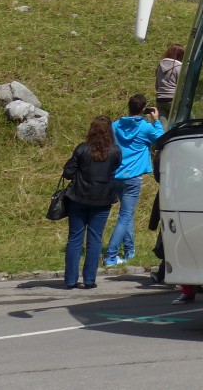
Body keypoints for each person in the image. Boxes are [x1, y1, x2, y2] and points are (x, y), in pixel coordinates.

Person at [103, 94, 165, 268]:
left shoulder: (115, 126)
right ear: (143, 109)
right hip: (133, 177)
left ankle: (130, 251)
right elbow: (161, 139)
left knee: (126, 214)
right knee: (125, 216)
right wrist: (157, 121)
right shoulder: (145, 128)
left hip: (116, 175)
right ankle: (111, 255)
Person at [62, 116, 122, 289]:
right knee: (95, 239)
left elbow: (68, 172)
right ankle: (89, 280)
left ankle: (70, 280)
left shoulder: (82, 149)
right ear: (110, 131)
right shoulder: (115, 151)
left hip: (79, 197)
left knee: (75, 239)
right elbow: (115, 168)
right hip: (102, 199)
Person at [154, 43, 184, 121]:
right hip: (173, 100)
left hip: (160, 99)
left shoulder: (160, 66)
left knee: (163, 125)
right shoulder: (180, 67)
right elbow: (182, 86)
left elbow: (157, 85)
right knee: (189, 119)